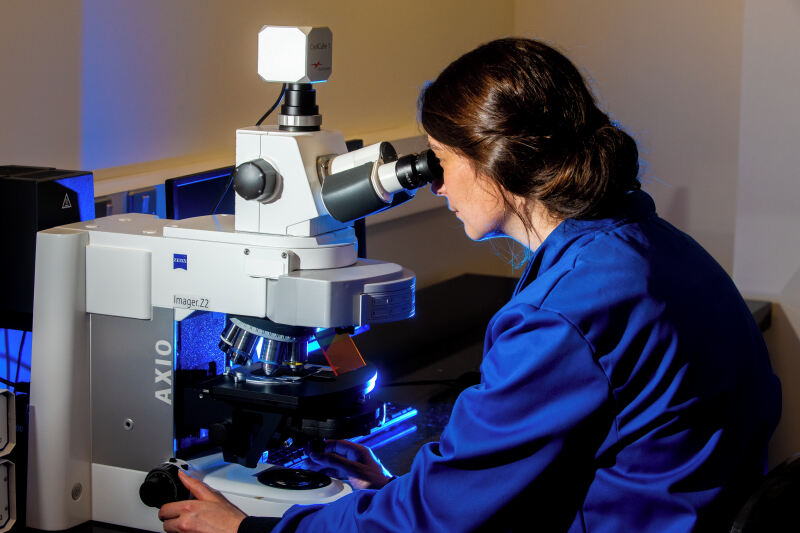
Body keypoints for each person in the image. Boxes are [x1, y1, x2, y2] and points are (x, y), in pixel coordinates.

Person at [158, 37, 781, 532]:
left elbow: (438, 521)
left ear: (497, 161)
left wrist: (255, 532)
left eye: (442, 160)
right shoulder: (650, 247)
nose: (435, 186)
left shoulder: (563, 315)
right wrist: (421, 488)